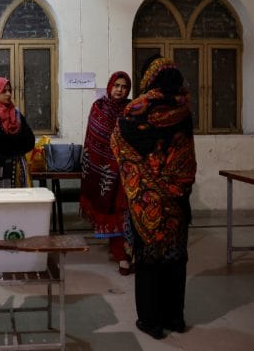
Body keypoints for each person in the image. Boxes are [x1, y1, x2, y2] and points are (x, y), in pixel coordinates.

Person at [111, 55, 197, 339]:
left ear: (149, 78)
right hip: (177, 199)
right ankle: (175, 318)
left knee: (149, 258)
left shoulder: (139, 109)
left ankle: (151, 321)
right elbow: (185, 155)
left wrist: (146, 176)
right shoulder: (184, 109)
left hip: (147, 200)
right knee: (175, 257)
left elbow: (118, 141)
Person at [79, 71, 135, 276]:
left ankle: (125, 254)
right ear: (110, 86)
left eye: (124, 87)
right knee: (113, 211)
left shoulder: (132, 110)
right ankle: (121, 255)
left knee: (124, 213)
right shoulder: (99, 108)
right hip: (103, 171)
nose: (120, 89)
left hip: (127, 171)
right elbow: (94, 137)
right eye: (117, 85)